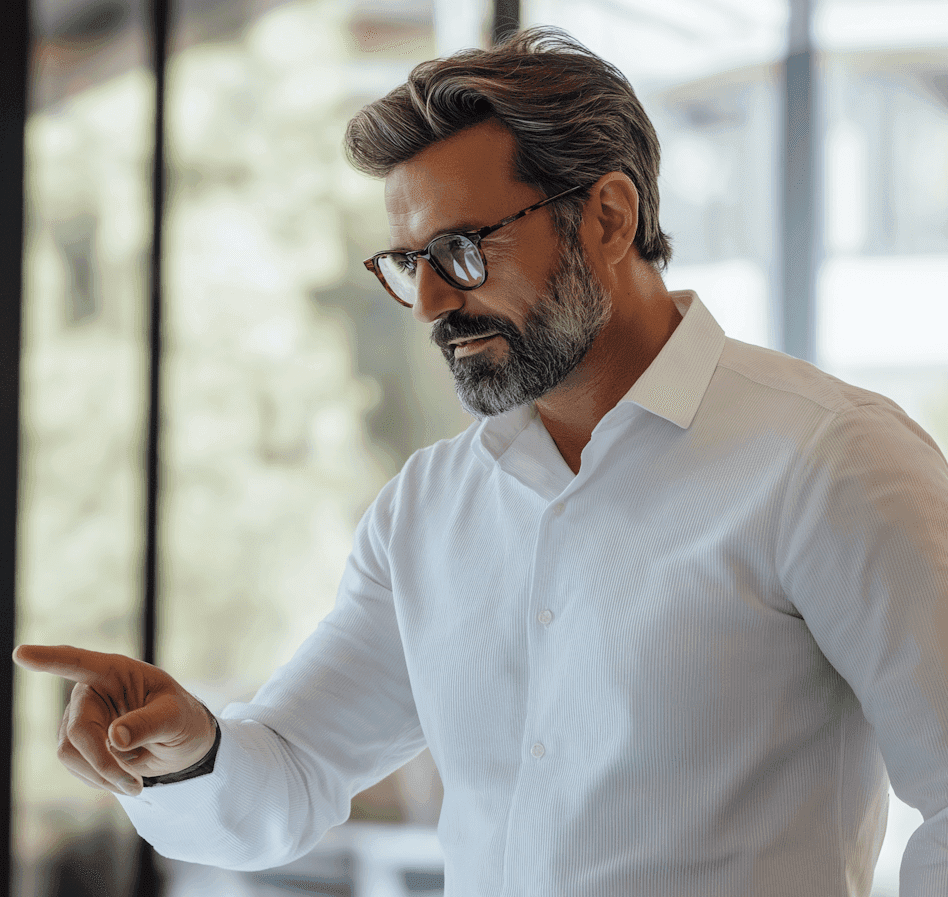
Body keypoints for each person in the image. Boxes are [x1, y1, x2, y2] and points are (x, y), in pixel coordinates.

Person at [13, 26, 948, 896]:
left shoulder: (832, 460)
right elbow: (291, 772)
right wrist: (188, 751)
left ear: (609, 218)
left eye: (459, 252)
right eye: (404, 261)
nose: (426, 305)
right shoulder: (429, 507)